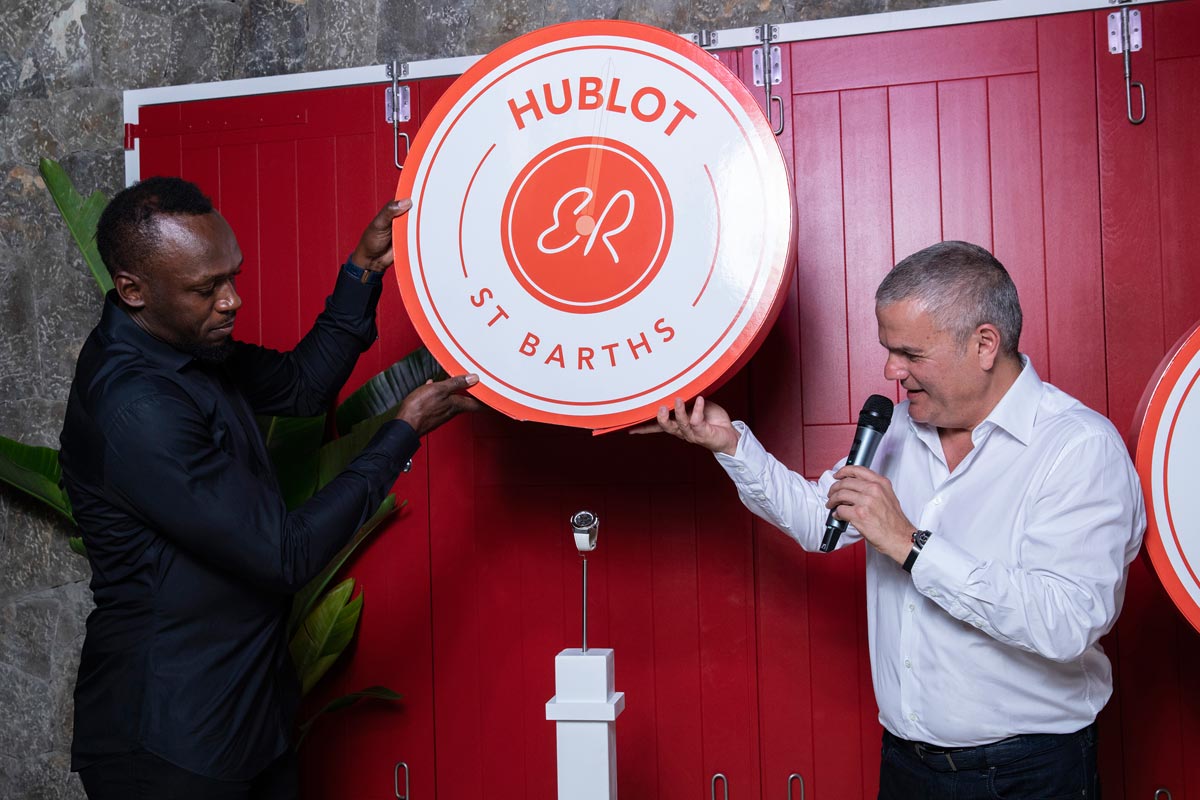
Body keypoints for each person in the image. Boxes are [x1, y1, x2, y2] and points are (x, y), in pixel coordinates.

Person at [636, 241, 1145, 799]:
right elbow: (821, 520)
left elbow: (1067, 622)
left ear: (984, 344)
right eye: (888, 350)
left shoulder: (1078, 448)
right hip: (907, 765)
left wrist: (910, 544)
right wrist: (730, 444)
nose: (890, 371)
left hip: (1030, 774)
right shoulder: (901, 426)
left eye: (910, 354)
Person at [58, 176, 482, 799]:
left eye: (232, 276)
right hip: (169, 738)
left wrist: (363, 269)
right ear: (133, 290)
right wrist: (402, 432)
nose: (231, 301)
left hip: (248, 717)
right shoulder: (139, 406)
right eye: (206, 288)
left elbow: (301, 387)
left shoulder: (183, 342)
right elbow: (286, 553)